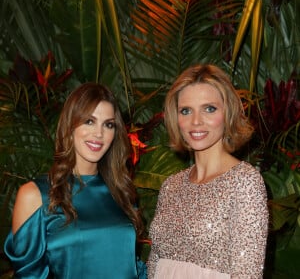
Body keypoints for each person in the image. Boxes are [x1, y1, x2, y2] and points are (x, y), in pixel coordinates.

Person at [4, 82, 147, 278]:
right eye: (89, 121)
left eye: (108, 124)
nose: (99, 133)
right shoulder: (36, 195)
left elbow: (131, 266)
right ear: (70, 126)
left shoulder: (121, 191)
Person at [147, 64, 269, 278]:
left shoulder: (244, 182)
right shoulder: (170, 186)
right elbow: (155, 261)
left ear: (228, 113)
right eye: (186, 111)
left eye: (209, 109)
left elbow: (247, 274)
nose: (196, 121)